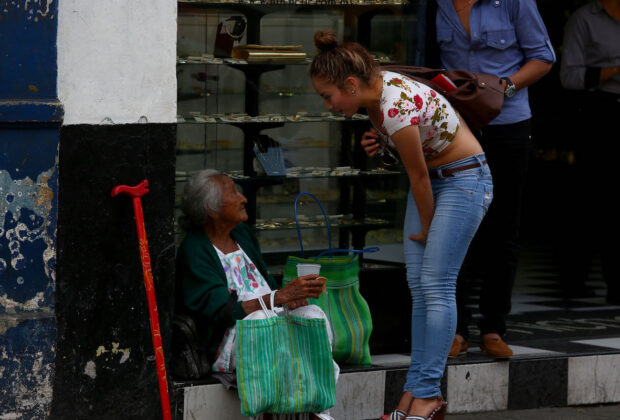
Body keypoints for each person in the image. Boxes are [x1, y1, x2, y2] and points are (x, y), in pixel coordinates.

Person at [310, 30, 493, 420]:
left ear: (351, 83)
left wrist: (427, 227)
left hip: (464, 181)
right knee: (419, 285)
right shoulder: (375, 100)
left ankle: (427, 395)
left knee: (437, 284)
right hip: (437, 180)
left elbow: (419, 176)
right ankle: (413, 392)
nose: (328, 106)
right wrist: (382, 149)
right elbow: (417, 157)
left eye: (328, 96)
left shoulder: (391, 105)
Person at [435, 0, 556, 358]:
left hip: (508, 124)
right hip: (455, 125)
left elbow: (542, 58)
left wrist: (504, 87)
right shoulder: (437, 6)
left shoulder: (516, 2)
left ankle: (493, 327)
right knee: (455, 223)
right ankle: (455, 328)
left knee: (503, 227)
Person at [175, 169, 337, 420]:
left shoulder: (242, 235)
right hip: (229, 340)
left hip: (270, 324)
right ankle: (264, 411)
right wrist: (278, 298)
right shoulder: (195, 250)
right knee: (259, 322)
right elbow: (224, 312)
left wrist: (290, 300)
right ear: (211, 208)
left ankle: (320, 410)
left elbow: (267, 284)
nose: (244, 198)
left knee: (313, 314)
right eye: (233, 192)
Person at [559, 0, 620, 304]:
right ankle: (573, 281)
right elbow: (569, 77)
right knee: (591, 199)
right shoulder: (585, 18)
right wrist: (615, 70)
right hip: (600, 113)